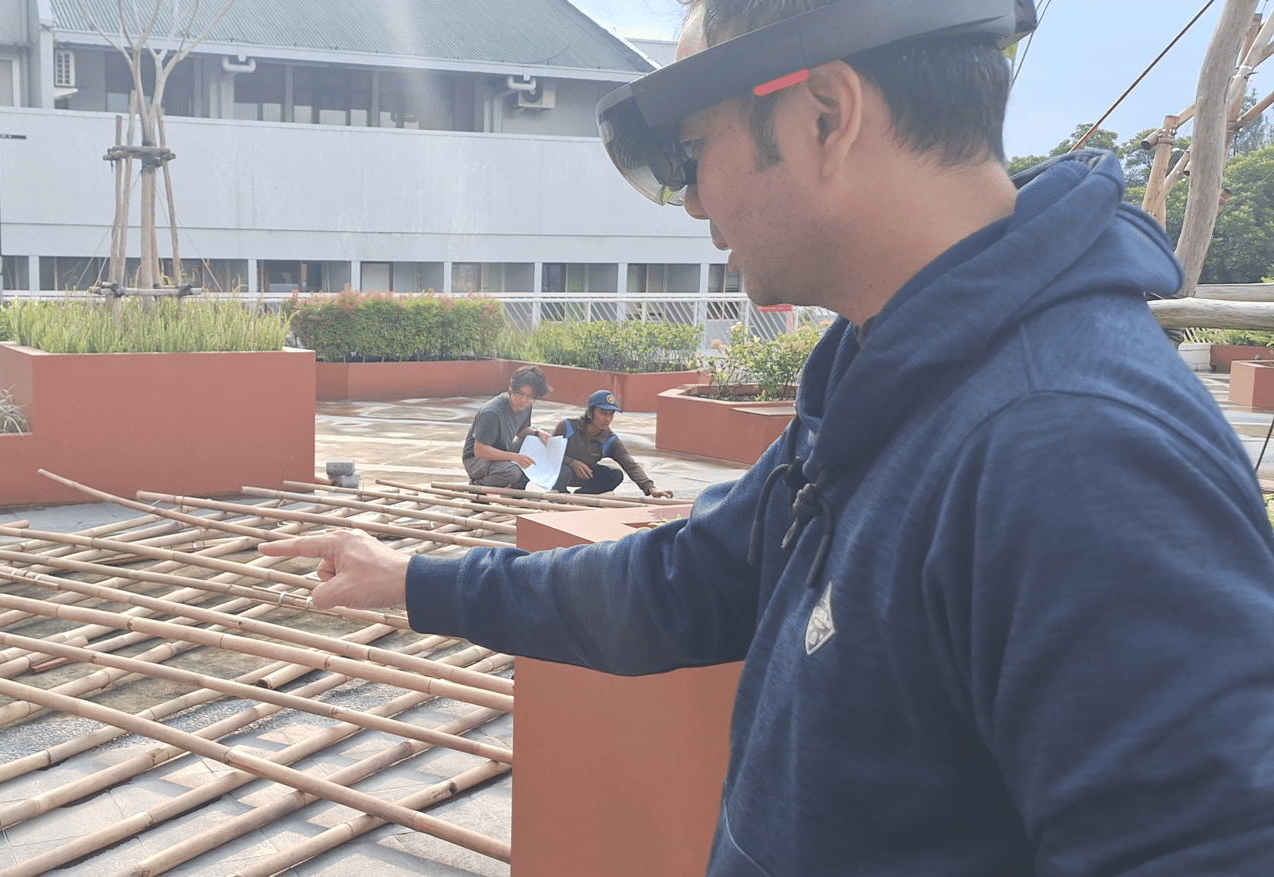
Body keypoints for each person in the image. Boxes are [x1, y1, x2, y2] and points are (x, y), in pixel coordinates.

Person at [261, 0, 1274, 873]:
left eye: (695, 152)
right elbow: (681, 581)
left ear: (825, 115)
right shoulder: (890, 384)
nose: (695, 199)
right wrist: (412, 580)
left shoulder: (1070, 454)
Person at [551, 389, 675, 498]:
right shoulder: (566, 426)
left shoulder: (610, 439)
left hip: (585, 476)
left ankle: (580, 497)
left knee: (615, 475)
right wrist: (571, 462)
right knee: (564, 472)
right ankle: (559, 494)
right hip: (560, 473)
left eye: (611, 414)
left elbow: (630, 464)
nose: (607, 419)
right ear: (589, 413)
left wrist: (651, 488)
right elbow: (550, 456)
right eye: (603, 413)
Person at [461, 365, 551, 489]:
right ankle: (477, 486)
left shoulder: (525, 406)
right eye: (520, 394)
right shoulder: (492, 412)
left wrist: (537, 433)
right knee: (512, 472)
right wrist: (515, 457)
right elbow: (480, 450)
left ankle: (515, 489)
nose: (523, 400)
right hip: (476, 461)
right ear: (511, 387)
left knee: (531, 442)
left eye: (530, 397)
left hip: (501, 453)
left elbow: (520, 431)